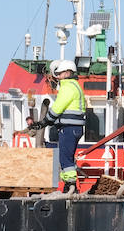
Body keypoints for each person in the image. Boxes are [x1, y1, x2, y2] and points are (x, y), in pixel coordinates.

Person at [30, 60, 85, 193]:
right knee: (68, 157)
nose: (57, 76)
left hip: (69, 128)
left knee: (65, 158)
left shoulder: (68, 87)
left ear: (67, 73)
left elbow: (58, 108)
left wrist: (45, 121)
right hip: (74, 128)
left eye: (59, 73)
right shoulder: (75, 86)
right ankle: (69, 185)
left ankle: (70, 187)